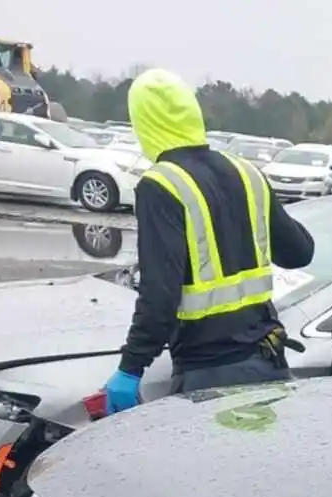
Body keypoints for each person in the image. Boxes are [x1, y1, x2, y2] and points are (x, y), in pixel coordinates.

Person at [102, 69, 314, 412]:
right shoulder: (246, 172)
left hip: (208, 374)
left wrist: (131, 367)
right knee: (261, 462)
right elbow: (301, 252)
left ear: (144, 123)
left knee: (215, 465)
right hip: (267, 360)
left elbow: (160, 294)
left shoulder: (161, 184)